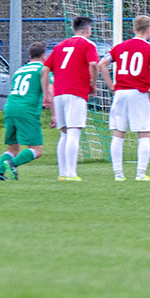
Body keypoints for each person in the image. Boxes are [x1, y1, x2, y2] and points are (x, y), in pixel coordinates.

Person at [98, 15, 150, 182]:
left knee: (118, 133)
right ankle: (140, 174)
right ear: (149, 30)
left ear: (133, 29)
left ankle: (118, 174)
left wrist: (111, 85)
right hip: (139, 93)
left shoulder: (120, 47)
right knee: (143, 133)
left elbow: (101, 64)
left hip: (120, 93)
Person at [41, 15, 100, 181]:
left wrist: (46, 94)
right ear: (88, 30)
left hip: (59, 93)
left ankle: (62, 174)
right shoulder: (88, 44)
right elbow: (93, 64)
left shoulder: (60, 46)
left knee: (64, 133)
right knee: (74, 131)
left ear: (73, 29)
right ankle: (72, 174)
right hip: (76, 91)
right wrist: (94, 83)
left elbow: (44, 70)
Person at [0, 42, 55, 181]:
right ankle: (12, 164)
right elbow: (51, 92)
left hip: (10, 108)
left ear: (29, 56)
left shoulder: (19, 70)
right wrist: (54, 115)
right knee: (37, 149)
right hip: (27, 110)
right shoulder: (43, 70)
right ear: (44, 56)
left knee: (13, 148)